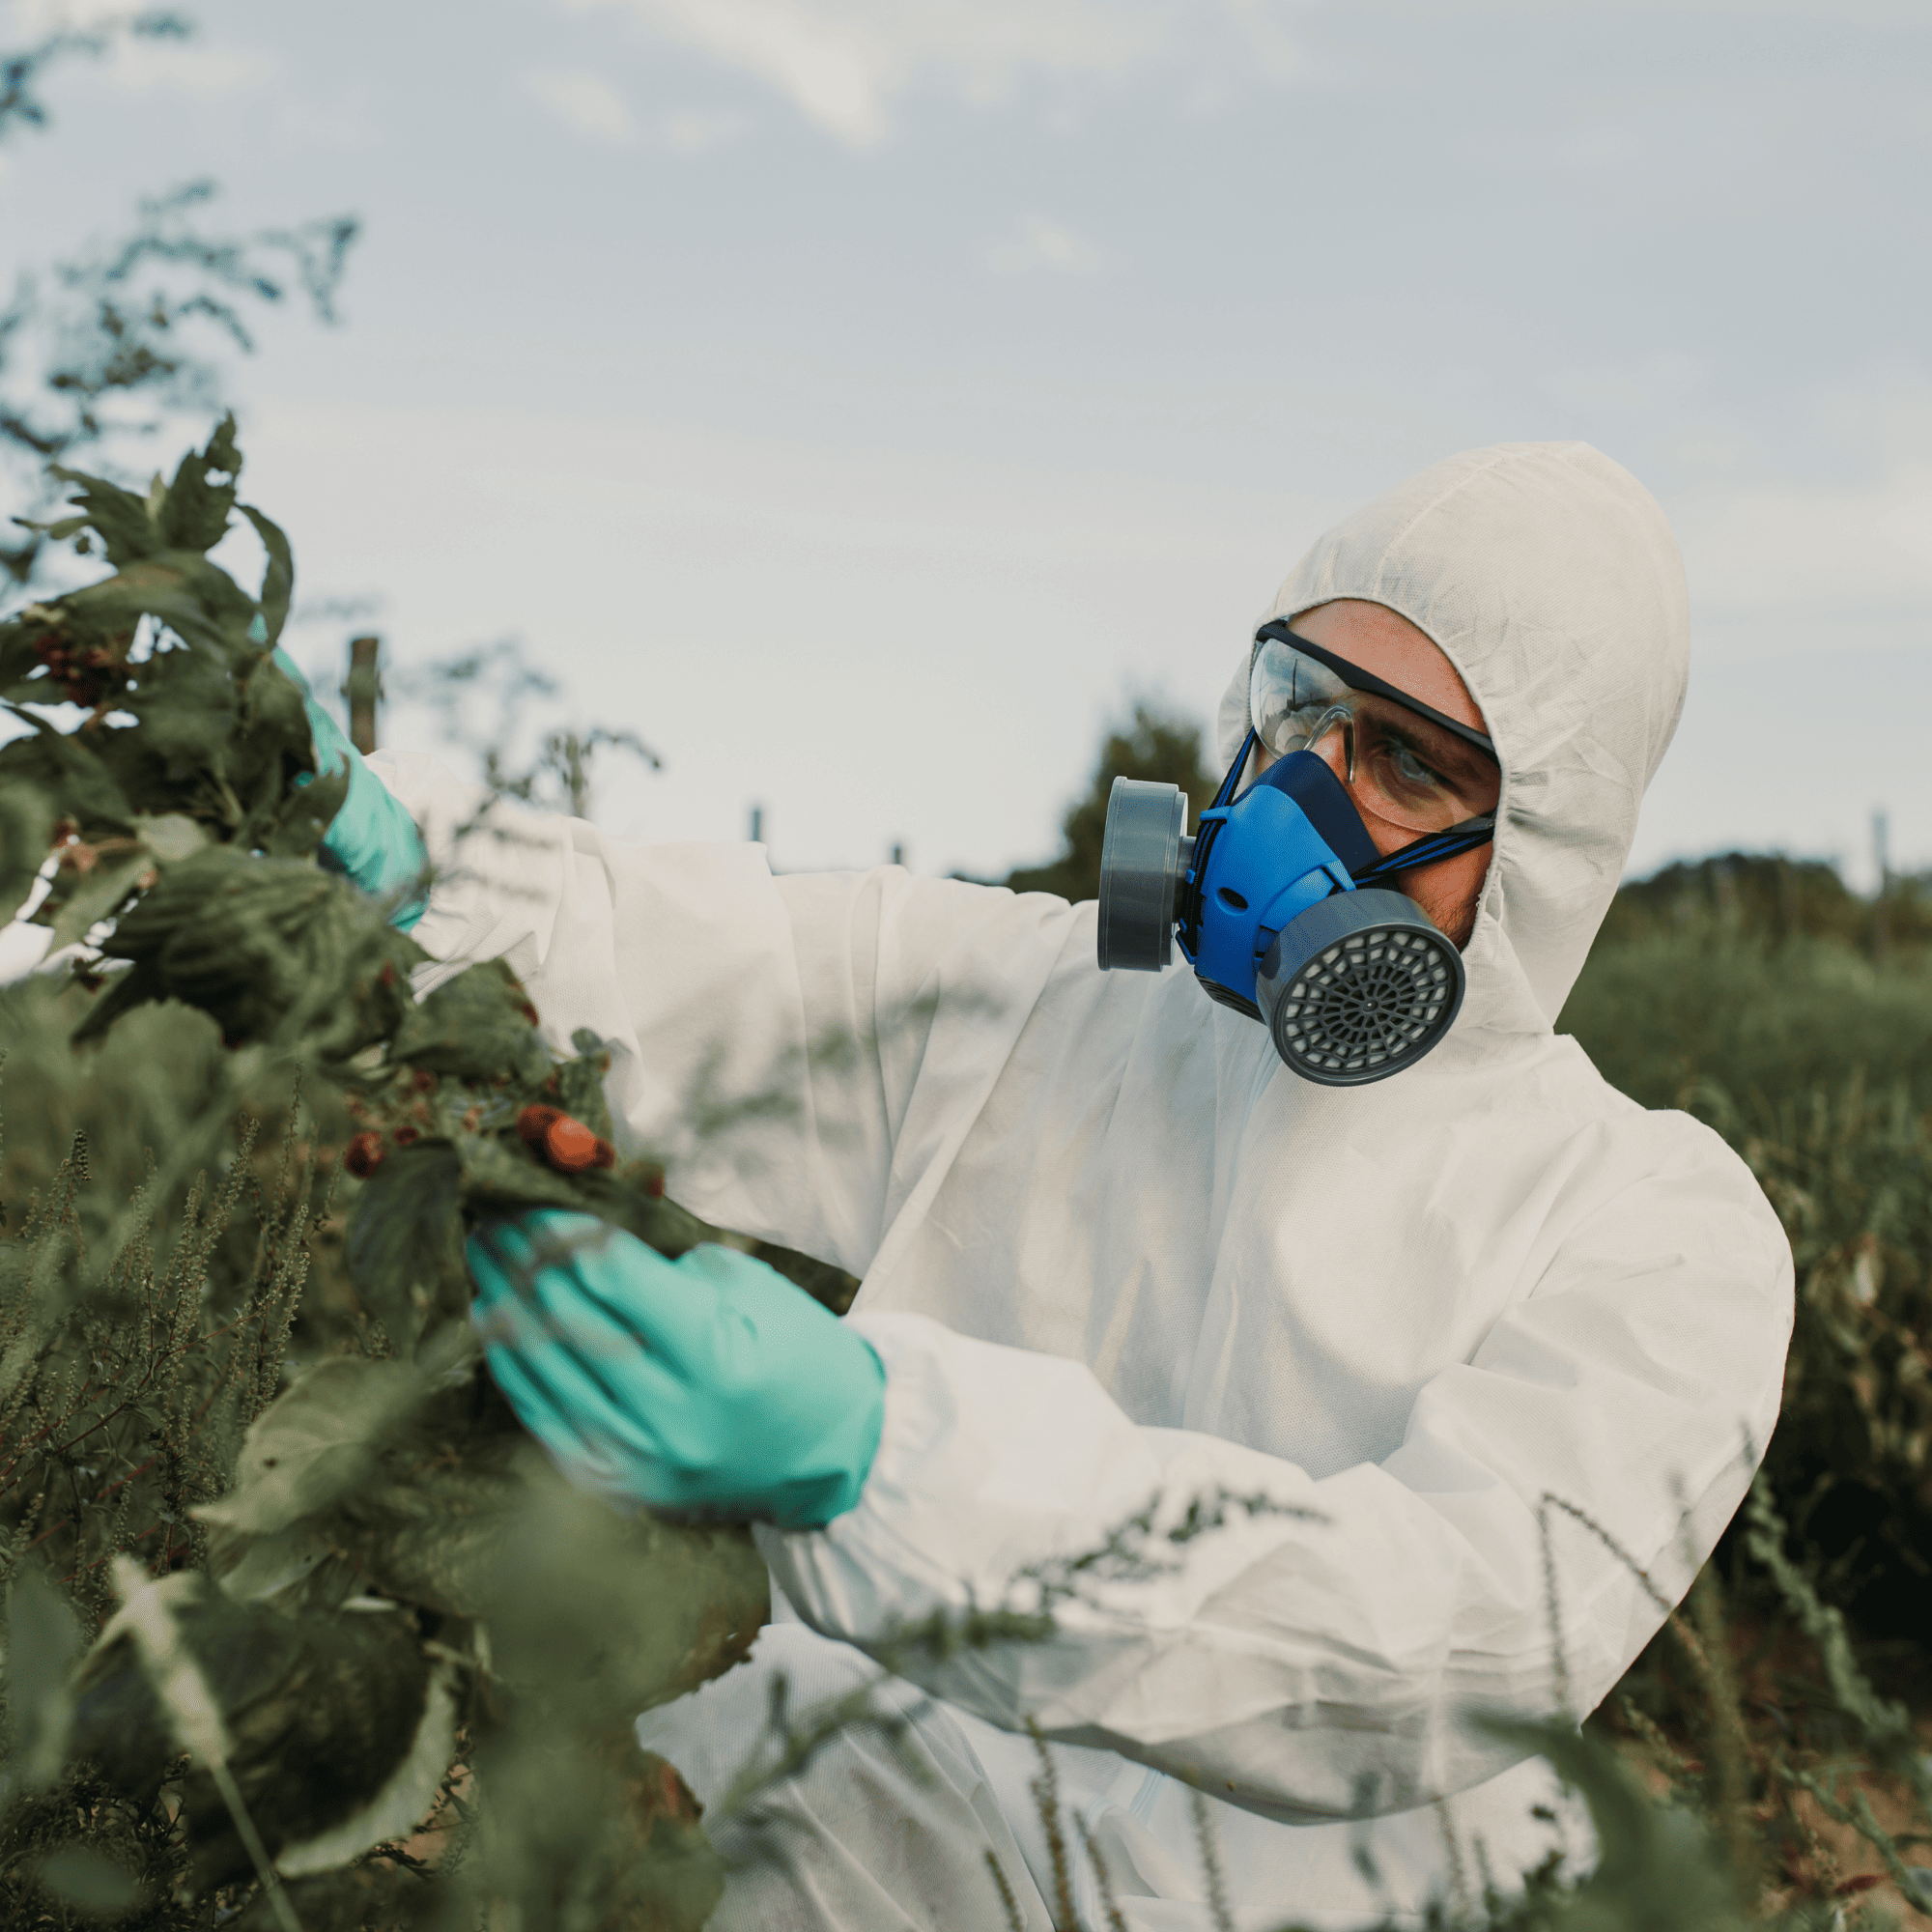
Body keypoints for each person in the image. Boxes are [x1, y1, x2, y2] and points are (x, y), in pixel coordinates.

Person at [322, 441, 1794, 1929]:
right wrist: (388, 860)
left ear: (1543, 850)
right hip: (872, 1848)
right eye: (1300, 710)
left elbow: (1439, 1645)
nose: (1298, 797)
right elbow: (694, 958)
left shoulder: (1656, 1232)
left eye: (1406, 761)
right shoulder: (1044, 1006)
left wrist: (878, 1458)